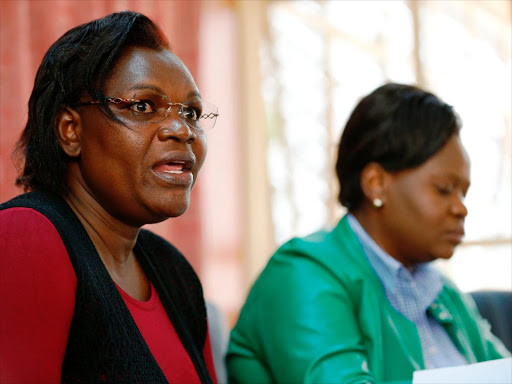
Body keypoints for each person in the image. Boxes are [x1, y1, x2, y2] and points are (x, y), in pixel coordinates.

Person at [227, 83, 510, 383]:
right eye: (444, 190)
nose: (461, 208)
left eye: (463, 194)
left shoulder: (443, 293)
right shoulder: (302, 274)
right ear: (376, 183)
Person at [0, 11, 219, 384]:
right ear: (71, 130)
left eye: (192, 112)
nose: (182, 129)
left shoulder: (174, 272)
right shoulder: (24, 236)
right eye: (142, 106)